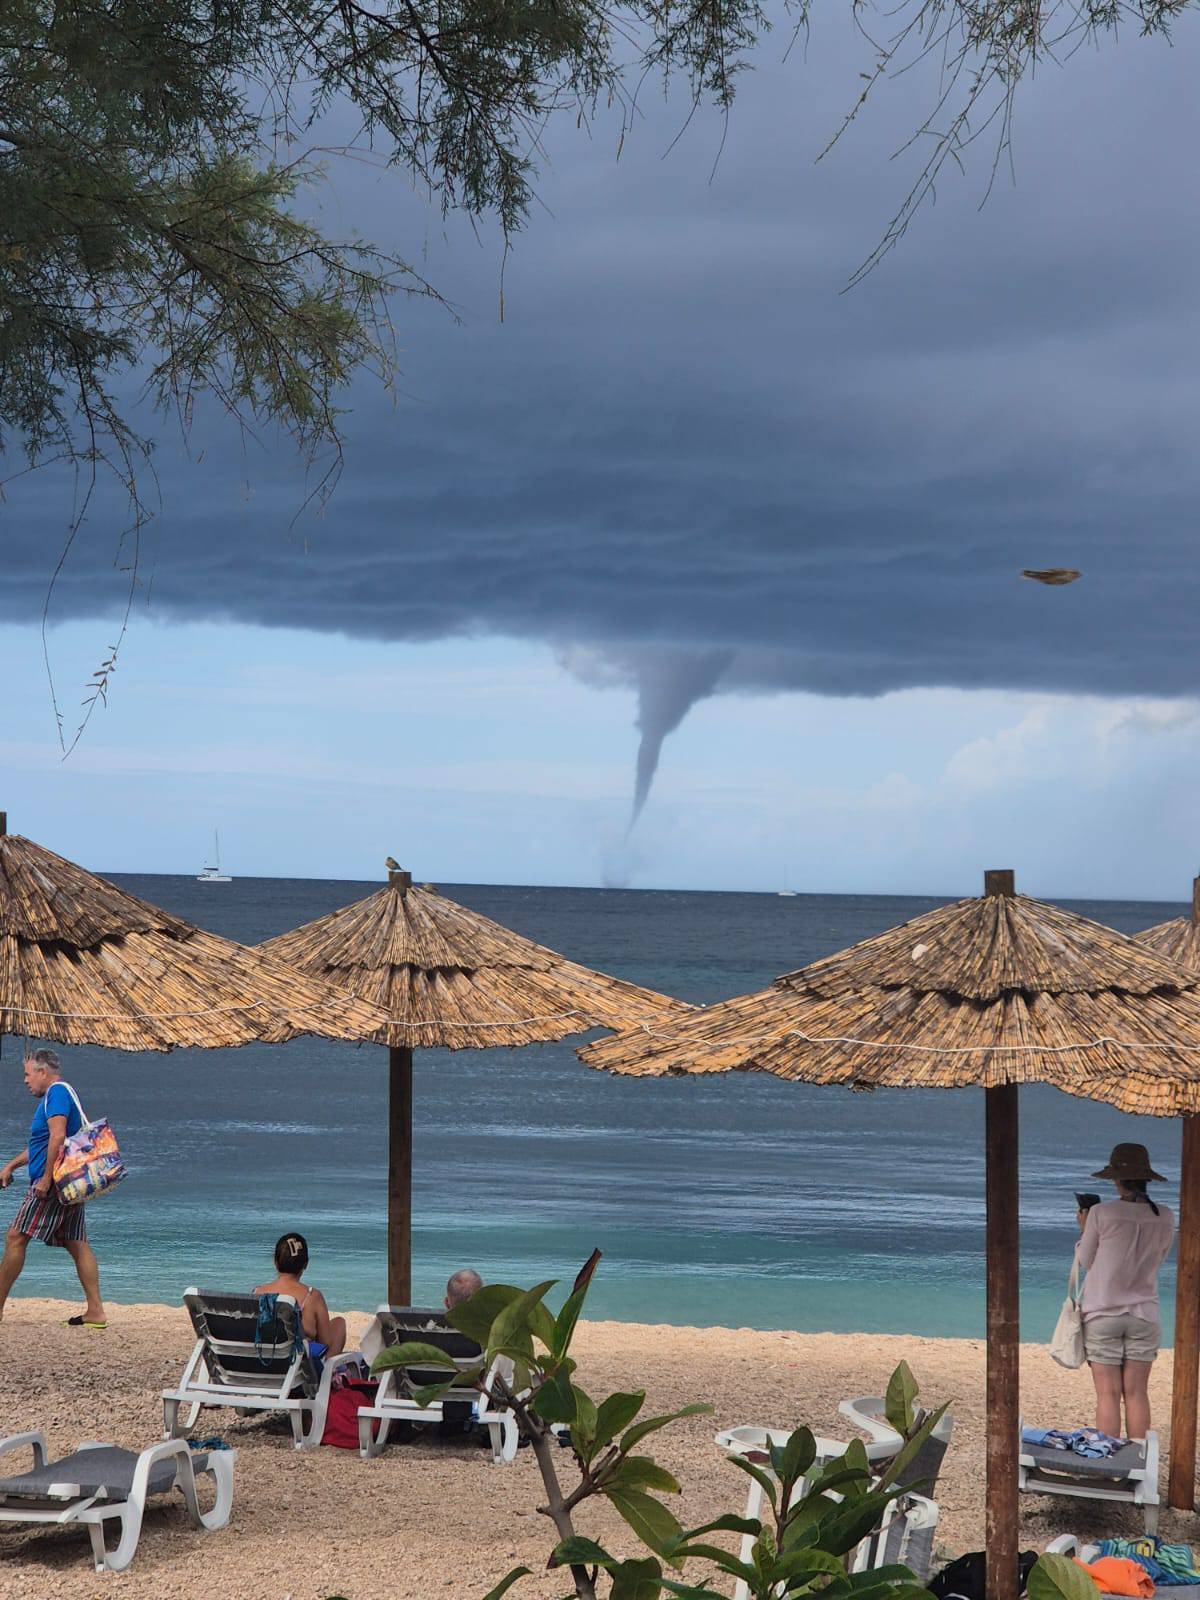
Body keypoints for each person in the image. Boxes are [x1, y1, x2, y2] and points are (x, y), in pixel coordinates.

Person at [0, 1049, 106, 1328]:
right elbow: (42, 1144)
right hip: (69, 1183)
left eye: (27, 1073)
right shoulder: (57, 1095)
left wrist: (45, 1178)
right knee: (76, 1242)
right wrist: (11, 1166)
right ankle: (96, 1312)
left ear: (42, 1071)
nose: (25, 1080)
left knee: (15, 1236)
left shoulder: (56, 1093)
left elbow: (58, 1137)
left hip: (54, 1183)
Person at [1076, 1143, 1175, 1440]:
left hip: (1103, 1312)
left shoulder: (1101, 1213)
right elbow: (1160, 1257)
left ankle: (1107, 1465)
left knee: (1107, 1394)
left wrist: (1084, 1228)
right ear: (1146, 1179)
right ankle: (1139, 1465)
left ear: (1116, 1180)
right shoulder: (1165, 1216)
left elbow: (1087, 1261)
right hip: (1144, 1313)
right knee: (1136, 1393)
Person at [253, 1232, 346, 1362]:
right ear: (305, 1264)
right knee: (339, 1323)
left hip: (262, 1365)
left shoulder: (257, 1293)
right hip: (297, 1372)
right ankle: (328, 1373)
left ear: (275, 1261)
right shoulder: (312, 1296)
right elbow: (326, 1343)